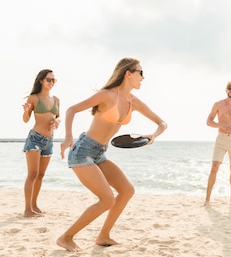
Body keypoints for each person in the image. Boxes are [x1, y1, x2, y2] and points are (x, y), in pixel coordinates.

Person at [57, 57, 167, 252]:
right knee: (107, 199)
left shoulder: (133, 101)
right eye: (140, 72)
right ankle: (66, 237)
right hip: (83, 151)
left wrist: (153, 136)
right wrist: (67, 137)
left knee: (127, 190)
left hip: (99, 153)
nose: (143, 77)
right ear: (128, 73)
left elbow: (162, 123)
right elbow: (72, 109)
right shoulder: (107, 95)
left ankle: (103, 235)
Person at [21, 69, 60, 218]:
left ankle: (35, 205)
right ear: (41, 81)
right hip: (35, 139)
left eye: (53, 80)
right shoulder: (34, 98)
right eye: (49, 80)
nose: (51, 83)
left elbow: (59, 116)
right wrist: (26, 111)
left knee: (41, 175)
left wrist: (57, 121)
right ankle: (27, 209)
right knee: (33, 174)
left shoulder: (56, 99)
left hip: (49, 141)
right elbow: (26, 119)